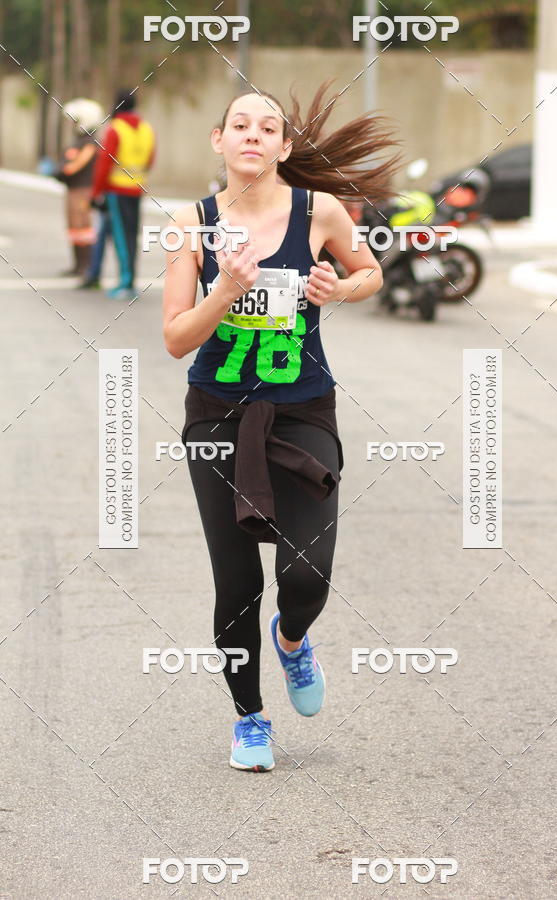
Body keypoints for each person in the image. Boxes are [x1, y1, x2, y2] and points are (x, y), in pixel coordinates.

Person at [162, 82, 402, 772]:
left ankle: (293, 642)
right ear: (219, 140)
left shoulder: (319, 211)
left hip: (302, 408)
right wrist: (226, 291)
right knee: (237, 583)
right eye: (240, 124)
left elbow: (370, 274)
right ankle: (249, 720)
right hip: (217, 414)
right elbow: (177, 338)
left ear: (284, 147)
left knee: (307, 574)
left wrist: (340, 288)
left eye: (268, 127)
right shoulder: (191, 224)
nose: (253, 135)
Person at [90, 90, 156, 300]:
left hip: (116, 191)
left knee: (121, 237)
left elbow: (104, 163)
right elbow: (150, 160)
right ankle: (94, 273)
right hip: (137, 188)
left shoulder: (115, 129)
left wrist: (96, 192)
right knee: (129, 234)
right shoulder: (146, 129)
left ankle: (126, 282)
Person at [54, 99, 103, 277]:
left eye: (74, 120)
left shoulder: (89, 143)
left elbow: (75, 165)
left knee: (83, 227)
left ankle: (86, 266)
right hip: (73, 189)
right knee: (74, 228)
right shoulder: (79, 141)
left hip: (83, 190)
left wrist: (61, 170)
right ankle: (77, 265)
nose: (72, 123)